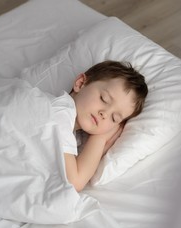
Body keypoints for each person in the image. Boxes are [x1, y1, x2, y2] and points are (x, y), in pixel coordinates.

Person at [52, 60, 148, 191]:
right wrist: (100, 138)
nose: (105, 114)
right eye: (104, 99)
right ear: (80, 83)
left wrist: (100, 138)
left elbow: (84, 168)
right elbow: (73, 183)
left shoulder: (75, 137)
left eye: (114, 118)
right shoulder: (59, 112)